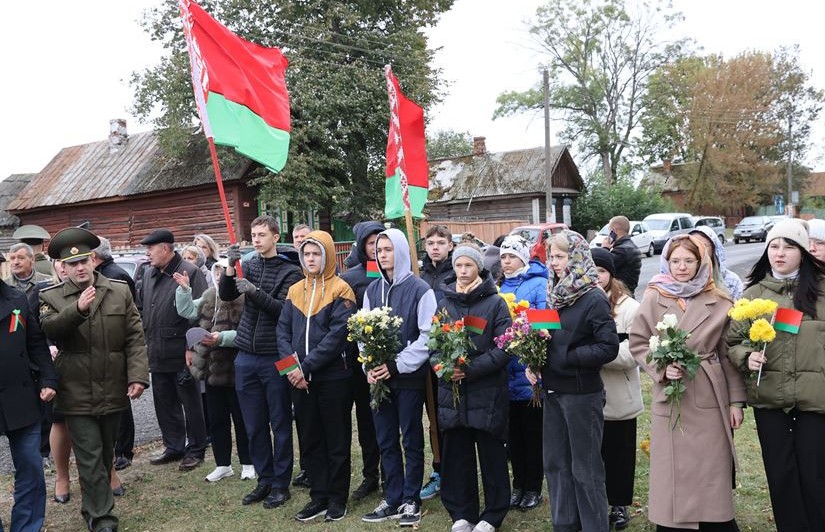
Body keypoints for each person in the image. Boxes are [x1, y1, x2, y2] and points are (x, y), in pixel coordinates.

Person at [630, 234, 745, 532]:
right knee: (673, 469)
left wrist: (735, 401)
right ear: (666, 261)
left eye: (689, 261)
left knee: (710, 467)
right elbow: (639, 342)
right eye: (675, 260)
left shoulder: (719, 300)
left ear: (702, 262)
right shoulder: (654, 296)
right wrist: (662, 367)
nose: (682, 267)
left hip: (709, 392)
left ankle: (715, 521)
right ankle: (671, 524)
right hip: (672, 396)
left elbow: (727, 355)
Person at [39, 227, 149, 532]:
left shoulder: (118, 290)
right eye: (72, 263)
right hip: (75, 388)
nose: (80, 267)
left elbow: (135, 338)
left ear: (93, 260)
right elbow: (51, 330)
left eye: (84, 260)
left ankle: (91, 507)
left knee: (104, 452)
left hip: (113, 385)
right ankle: (103, 518)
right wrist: (77, 309)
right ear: (62, 267)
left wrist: (138, 375)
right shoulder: (51, 296)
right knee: (88, 453)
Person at [727, 219, 825, 532]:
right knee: (780, 476)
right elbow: (733, 341)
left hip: (814, 400)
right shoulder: (753, 294)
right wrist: (746, 356)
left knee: (815, 475)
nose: (779, 253)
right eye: (773, 246)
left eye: (788, 246)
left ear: (804, 252)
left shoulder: (821, 291)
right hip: (771, 400)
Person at [525, 230, 619, 532]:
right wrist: (534, 362)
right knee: (555, 464)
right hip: (552, 391)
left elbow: (609, 347)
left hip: (581, 394)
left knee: (585, 469)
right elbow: (545, 337)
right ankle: (565, 524)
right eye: (551, 256)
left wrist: (568, 356)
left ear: (577, 257)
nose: (554, 263)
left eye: (560, 257)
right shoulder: (554, 294)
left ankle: (594, 526)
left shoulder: (593, 298)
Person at [219, 215, 303, 509]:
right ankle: (264, 479)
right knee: (253, 424)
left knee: (279, 422)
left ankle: (281, 484)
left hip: (275, 358)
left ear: (275, 237)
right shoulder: (248, 265)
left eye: (262, 234)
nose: (256, 239)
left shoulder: (290, 272)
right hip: (245, 356)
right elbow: (226, 295)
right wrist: (229, 268)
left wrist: (253, 291)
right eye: (253, 235)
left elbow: (282, 311)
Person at [277, 231, 356, 522]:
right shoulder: (295, 290)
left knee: (336, 440)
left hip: (333, 378)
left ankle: (337, 498)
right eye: (307, 254)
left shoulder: (341, 289)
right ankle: (318, 496)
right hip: (298, 380)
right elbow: (282, 332)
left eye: (316, 254)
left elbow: (337, 338)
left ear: (327, 256)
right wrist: (291, 370)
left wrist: (305, 367)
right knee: (309, 439)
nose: (311, 259)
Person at [433, 244, 511, 532]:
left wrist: (469, 370)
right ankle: (462, 513)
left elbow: (504, 347)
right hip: (452, 392)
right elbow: (434, 343)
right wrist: (442, 367)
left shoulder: (495, 304)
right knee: (457, 455)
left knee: (491, 457)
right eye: (458, 266)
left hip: (485, 391)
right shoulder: (445, 303)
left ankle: (492, 514)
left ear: (479, 267)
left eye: (468, 266)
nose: (463, 271)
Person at [361, 229, 436, 527]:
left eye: (389, 249)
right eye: (379, 249)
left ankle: (410, 499)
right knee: (386, 439)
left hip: (407, 377)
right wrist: (369, 363)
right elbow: (362, 331)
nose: (382, 254)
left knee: (411, 438)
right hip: (379, 378)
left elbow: (427, 336)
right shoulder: (371, 290)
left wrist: (397, 365)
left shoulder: (420, 290)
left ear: (402, 251)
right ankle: (392, 497)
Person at [174, 260, 254, 483]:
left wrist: (223, 338)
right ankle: (223, 464)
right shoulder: (210, 295)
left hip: (237, 368)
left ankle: (248, 463)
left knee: (241, 419)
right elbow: (187, 310)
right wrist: (184, 290)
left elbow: (248, 333)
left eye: (223, 272)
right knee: (217, 420)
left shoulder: (245, 297)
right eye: (216, 272)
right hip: (211, 370)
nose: (219, 276)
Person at [138, 229, 208, 472]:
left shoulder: (190, 272)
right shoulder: (148, 274)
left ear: (165, 249)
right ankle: (174, 446)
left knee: (191, 403)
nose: (147, 253)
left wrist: (192, 347)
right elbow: (145, 309)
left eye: (151, 248)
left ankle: (197, 448)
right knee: (164, 403)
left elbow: (200, 314)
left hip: (182, 352)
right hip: (157, 350)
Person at [0, 253, 58, 532]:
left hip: (21, 397)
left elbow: (36, 344)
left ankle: (26, 527)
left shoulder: (17, 299)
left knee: (31, 469)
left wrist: (48, 378)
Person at [590, 247, 643, 530]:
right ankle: (595, 500)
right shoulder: (577, 301)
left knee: (619, 453)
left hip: (618, 394)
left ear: (611, 274)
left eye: (601, 271)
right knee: (593, 453)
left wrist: (595, 354)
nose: (596, 276)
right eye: (592, 270)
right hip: (585, 393)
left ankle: (619, 503)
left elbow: (635, 352)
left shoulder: (629, 308)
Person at [497, 235, 547, 511]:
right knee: (513, 435)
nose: (506, 261)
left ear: (523, 258)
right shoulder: (498, 286)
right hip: (506, 372)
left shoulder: (539, 284)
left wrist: (523, 324)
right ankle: (517, 485)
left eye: (512, 256)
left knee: (532, 433)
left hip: (528, 372)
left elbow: (546, 321)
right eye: (503, 256)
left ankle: (533, 486)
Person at [338, 220, 384, 501]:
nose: (377, 248)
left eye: (381, 242)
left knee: (384, 422)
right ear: (362, 245)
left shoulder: (396, 272)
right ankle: (370, 476)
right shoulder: (349, 277)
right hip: (355, 361)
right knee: (365, 423)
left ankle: (391, 474)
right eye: (371, 243)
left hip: (386, 361)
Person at [91, 236, 137, 471]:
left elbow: (128, 316)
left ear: (94, 256)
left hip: (116, 348)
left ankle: (123, 451)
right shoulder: (102, 272)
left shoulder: (115, 276)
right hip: (102, 350)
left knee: (120, 402)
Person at [418, 224, 455, 500]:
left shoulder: (458, 272)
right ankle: (440, 469)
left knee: (451, 417)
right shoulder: (419, 276)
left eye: (440, 242)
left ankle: (456, 472)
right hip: (424, 355)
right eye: (430, 242)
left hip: (451, 354)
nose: (435, 247)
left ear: (450, 246)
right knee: (433, 419)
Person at [690, 225, 744, 300]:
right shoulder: (681, 276)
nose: (699, 250)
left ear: (714, 249)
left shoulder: (731, 280)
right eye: (694, 246)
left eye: (704, 245)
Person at [605, 216, 642, 294]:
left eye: (609, 232)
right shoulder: (631, 246)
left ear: (613, 231)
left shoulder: (621, 250)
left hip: (620, 294)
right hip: (628, 292)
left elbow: (603, 265)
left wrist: (605, 248)